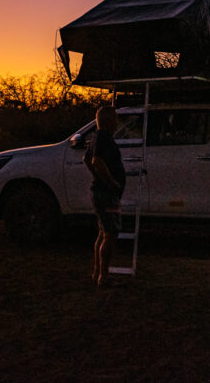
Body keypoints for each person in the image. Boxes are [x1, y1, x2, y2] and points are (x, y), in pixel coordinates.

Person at [85, 105, 126, 288]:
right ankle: (104, 276)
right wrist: (110, 182)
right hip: (107, 194)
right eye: (116, 118)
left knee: (103, 232)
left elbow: (87, 159)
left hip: (101, 192)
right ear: (109, 121)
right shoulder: (104, 139)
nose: (118, 122)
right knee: (110, 233)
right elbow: (96, 161)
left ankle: (97, 273)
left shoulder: (96, 138)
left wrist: (98, 176)